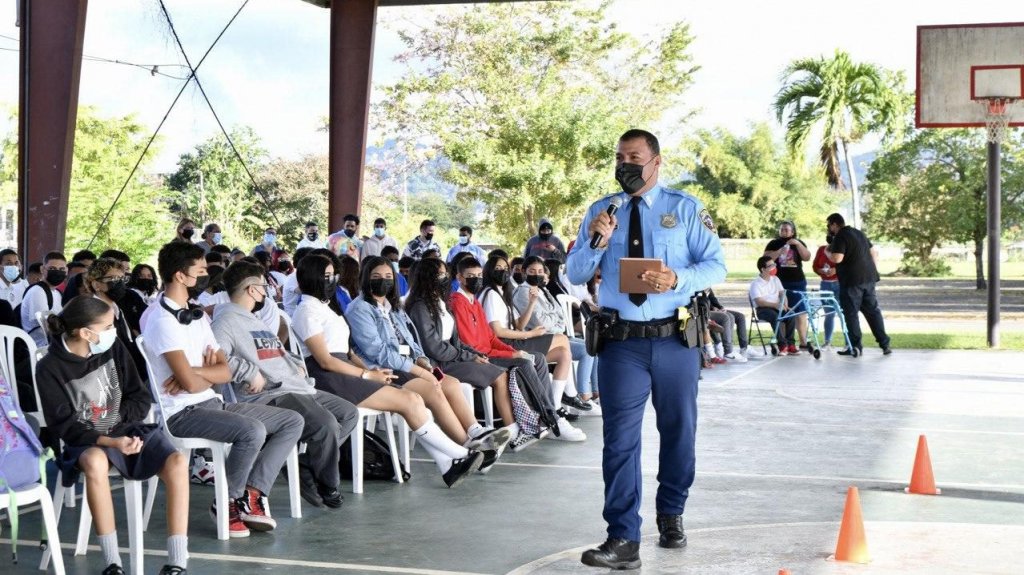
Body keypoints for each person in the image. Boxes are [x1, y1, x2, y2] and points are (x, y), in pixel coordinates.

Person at [567, 129, 726, 569]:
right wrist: (597, 240)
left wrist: (678, 279)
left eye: (634, 156)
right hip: (622, 346)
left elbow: (717, 264)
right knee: (618, 442)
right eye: (620, 157)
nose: (625, 164)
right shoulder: (601, 210)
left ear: (656, 161)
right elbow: (576, 272)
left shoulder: (685, 208)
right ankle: (623, 538)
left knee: (679, 431)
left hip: (675, 341)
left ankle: (671, 513)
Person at [141, 241, 305, 537]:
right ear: (180, 275)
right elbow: (191, 385)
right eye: (201, 271)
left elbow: (225, 371)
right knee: (251, 430)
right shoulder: (162, 320)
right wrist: (202, 375)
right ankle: (227, 500)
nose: (207, 275)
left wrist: (196, 373)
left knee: (291, 420)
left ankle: (251, 493)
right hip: (182, 412)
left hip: (211, 402)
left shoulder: (197, 316)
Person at [290, 254, 485, 486]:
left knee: (413, 398)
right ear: (312, 278)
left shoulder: (325, 308)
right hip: (330, 377)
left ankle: (448, 464)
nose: (332, 280)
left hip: (348, 369)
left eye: (334, 275)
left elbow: (349, 351)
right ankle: (460, 453)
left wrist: (370, 371)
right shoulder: (306, 312)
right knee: (411, 400)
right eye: (326, 276)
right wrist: (366, 374)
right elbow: (325, 360)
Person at [37, 296, 191, 575]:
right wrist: (110, 440)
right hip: (85, 442)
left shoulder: (113, 348)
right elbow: (65, 427)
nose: (114, 332)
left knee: (177, 462)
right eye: (108, 326)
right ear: (86, 333)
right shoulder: (49, 367)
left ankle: (177, 562)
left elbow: (139, 398)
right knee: (95, 461)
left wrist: (118, 423)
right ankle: (113, 563)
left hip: (126, 430)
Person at [212, 261, 359, 508]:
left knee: (348, 414)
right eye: (263, 286)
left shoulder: (255, 319)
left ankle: (307, 467)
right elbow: (218, 357)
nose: (266, 292)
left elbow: (274, 351)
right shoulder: (225, 322)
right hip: (272, 393)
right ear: (251, 289)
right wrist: (249, 373)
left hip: (297, 386)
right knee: (325, 424)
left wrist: (293, 362)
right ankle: (327, 483)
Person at [346, 256, 507, 457]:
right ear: (365, 278)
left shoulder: (392, 306)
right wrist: (416, 369)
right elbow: (378, 352)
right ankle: (467, 445)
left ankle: (475, 430)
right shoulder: (360, 308)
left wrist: (421, 360)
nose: (384, 280)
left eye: (388, 276)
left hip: (410, 364)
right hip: (386, 369)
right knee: (434, 389)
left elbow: (411, 339)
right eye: (377, 276)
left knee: (451, 383)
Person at [405, 257, 516, 451]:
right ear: (428, 277)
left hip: (451, 355)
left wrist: (473, 353)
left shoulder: (440, 302)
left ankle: (477, 433)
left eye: (445, 273)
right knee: (498, 374)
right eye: (440, 274)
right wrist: (467, 356)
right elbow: (434, 347)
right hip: (439, 362)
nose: (445, 277)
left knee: (495, 369)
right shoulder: (420, 306)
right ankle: (509, 430)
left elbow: (455, 340)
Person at [448, 256, 558, 451]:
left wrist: (514, 351)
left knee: (534, 358)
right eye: (470, 276)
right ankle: (544, 417)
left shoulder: (474, 302)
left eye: (479, 275)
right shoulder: (458, 302)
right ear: (459, 278)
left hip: (490, 351)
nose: (476, 279)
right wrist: (511, 356)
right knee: (523, 364)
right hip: (478, 357)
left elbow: (491, 338)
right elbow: (471, 344)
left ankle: (545, 415)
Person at [477, 255, 586, 441]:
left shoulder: (503, 292)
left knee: (563, 353)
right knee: (561, 339)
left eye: (505, 268)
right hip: (506, 343)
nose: (503, 271)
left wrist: (532, 303)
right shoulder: (491, 295)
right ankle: (563, 403)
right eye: (498, 268)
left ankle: (555, 408)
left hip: (514, 337)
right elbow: (498, 331)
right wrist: (530, 335)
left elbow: (518, 325)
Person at [513, 256, 596, 417]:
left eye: (540, 271)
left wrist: (555, 322)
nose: (537, 274)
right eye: (532, 271)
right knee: (566, 341)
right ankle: (574, 394)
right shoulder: (524, 292)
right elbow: (538, 320)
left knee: (577, 350)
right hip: (534, 338)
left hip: (552, 336)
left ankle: (557, 405)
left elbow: (560, 315)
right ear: (524, 272)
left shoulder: (543, 289)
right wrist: (555, 323)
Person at [825, 213, 891, 356]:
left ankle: (855, 346)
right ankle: (885, 344)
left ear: (835, 224)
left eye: (829, 225)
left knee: (851, 314)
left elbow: (837, 258)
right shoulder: (858, 232)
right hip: (869, 278)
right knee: (873, 312)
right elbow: (873, 251)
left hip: (851, 282)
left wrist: (827, 253)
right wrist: (872, 269)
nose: (828, 228)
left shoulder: (840, 236)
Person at [83, 258, 147, 376]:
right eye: (114, 279)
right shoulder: (90, 314)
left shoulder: (117, 309)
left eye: (123, 279)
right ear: (97, 285)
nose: (121, 283)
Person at [763, 221, 811, 353]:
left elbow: (807, 257)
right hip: (779, 282)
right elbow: (765, 258)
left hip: (797, 281)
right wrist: (779, 251)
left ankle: (803, 342)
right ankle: (784, 342)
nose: (783, 232)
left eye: (786, 230)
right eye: (782, 229)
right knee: (783, 312)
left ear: (792, 231)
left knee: (800, 312)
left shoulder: (798, 242)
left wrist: (798, 244)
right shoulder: (774, 243)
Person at [750, 256, 797, 354]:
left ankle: (791, 344)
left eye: (774, 264)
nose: (774, 267)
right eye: (770, 266)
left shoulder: (775, 279)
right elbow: (759, 302)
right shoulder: (756, 283)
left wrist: (785, 304)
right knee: (775, 317)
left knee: (791, 314)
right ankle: (782, 346)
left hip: (777, 306)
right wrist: (775, 305)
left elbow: (782, 293)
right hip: (763, 309)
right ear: (763, 269)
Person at [22, 250, 66, 347]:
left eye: (61, 269)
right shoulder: (38, 291)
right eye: (52, 268)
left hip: (53, 345)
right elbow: (48, 326)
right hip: (39, 348)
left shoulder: (57, 293)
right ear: (42, 269)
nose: (57, 272)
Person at [812, 232, 840, 348]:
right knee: (829, 314)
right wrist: (821, 271)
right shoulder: (821, 249)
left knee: (844, 313)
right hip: (825, 285)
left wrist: (836, 270)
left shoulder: (841, 251)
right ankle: (827, 341)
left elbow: (848, 265)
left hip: (840, 284)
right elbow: (815, 266)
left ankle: (850, 343)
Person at [707, 288, 748, 362]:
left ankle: (743, 348)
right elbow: (700, 301)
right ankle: (727, 351)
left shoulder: (707, 285)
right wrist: (712, 308)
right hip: (704, 311)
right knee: (726, 317)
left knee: (739, 316)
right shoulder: (697, 286)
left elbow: (712, 298)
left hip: (712, 309)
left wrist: (720, 307)